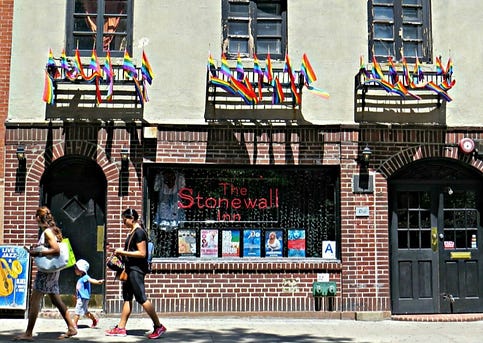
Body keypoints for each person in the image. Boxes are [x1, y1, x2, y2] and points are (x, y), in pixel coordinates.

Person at [14, 206, 78, 341]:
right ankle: (71, 327)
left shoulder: (48, 232)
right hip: (52, 271)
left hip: (46, 272)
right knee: (56, 300)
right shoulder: (52, 231)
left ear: (38, 218)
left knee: (35, 300)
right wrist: (37, 249)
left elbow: (56, 250)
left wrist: (38, 253)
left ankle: (28, 333)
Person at [105, 208, 166, 339]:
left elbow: (142, 253)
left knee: (142, 298)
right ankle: (121, 328)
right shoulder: (132, 232)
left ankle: (158, 326)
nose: (123, 222)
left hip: (136, 270)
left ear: (131, 219)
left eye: (124, 219)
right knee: (127, 297)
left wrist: (122, 252)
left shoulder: (139, 233)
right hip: (129, 269)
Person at [73, 259, 104, 329]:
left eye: (76, 268)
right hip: (81, 297)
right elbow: (78, 288)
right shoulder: (81, 278)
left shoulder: (85, 277)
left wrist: (98, 282)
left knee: (77, 310)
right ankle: (94, 320)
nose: (75, 270)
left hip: (83, 298)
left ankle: (74, 325)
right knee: (85, 312)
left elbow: (91, 280)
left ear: (81, 270)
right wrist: (76, 295)